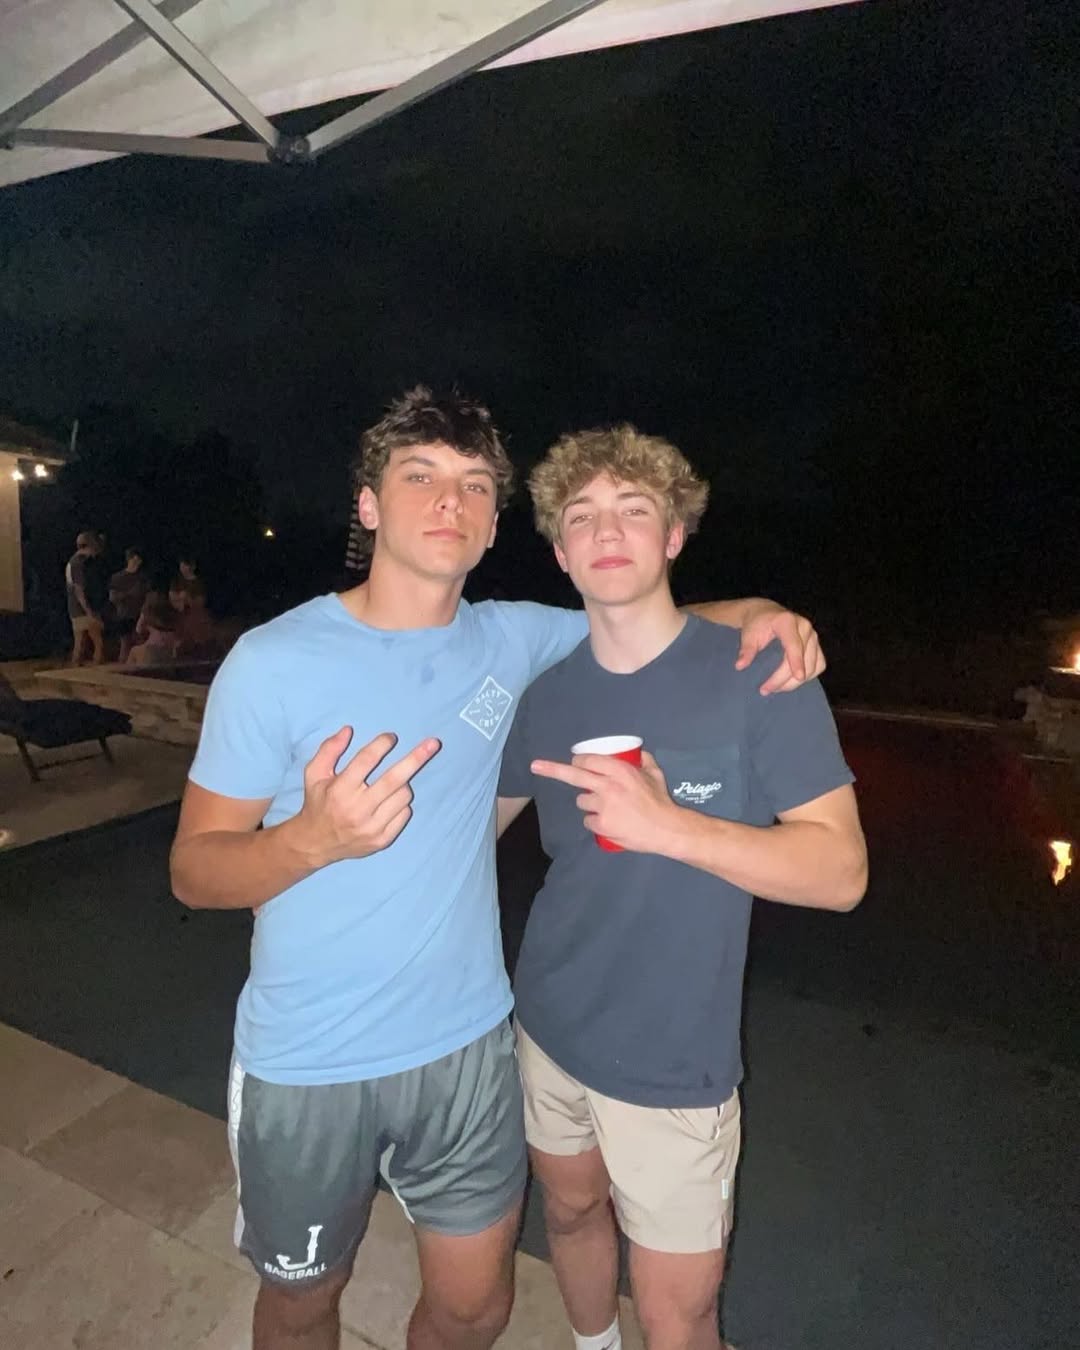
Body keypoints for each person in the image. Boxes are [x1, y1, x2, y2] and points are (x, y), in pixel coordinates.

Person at [169, 387, 826, 1350]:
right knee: (304, 1302)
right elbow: (193, 870)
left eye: (476, 485)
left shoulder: (513, 639)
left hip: (470, 1051)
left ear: (492, 526)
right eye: (420, 476)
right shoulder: (272, 661)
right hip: (309, 1059)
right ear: (368, 505)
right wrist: (309, 840)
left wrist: (766, 611)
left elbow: (642, 617)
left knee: (476, 1309)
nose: (451, 501)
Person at [496, 424, 868, 1350]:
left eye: (633, 509)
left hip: (675, 1059)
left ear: (673, 535)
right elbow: (467, 835)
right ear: (560, 552)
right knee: (571, 1213)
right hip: (547, 1023)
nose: (605, 530)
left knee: (681, 1313)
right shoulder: (545, 695)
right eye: (581, 516)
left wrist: (670, 827)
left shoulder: (757, 672)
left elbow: (841, 873)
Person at [65, 530, 105, 665]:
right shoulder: (78, 564)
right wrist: (89, 610)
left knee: (80, 641)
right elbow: (79, 590)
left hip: (75, 607)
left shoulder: (74, 562)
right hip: (81, 607)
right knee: (97, 641)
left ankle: (76, 666)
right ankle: (96, 667)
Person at [108, 546, 151, 662]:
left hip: (139, 615)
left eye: (140, 559)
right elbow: (112, 598)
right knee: (125, 645)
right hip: (124, 615)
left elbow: (148, 595)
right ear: (130, 559)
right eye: (136, 559)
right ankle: (123, 668)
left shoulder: (143, 577)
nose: (138, 562)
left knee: (140, 643)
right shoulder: (117, 577)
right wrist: (128, 594)